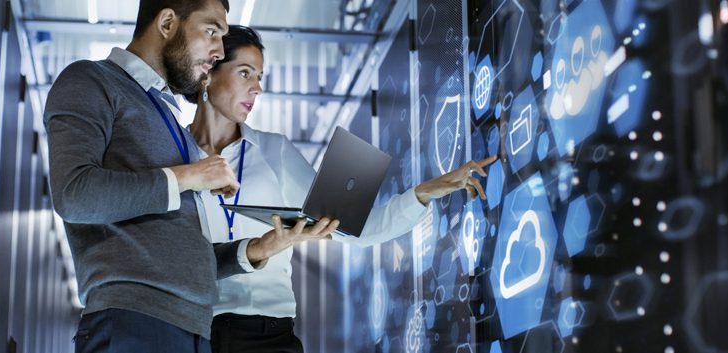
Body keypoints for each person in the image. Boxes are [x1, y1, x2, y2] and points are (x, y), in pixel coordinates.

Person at [42, 1, 339, 352]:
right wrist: (189, 176)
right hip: (133, 322)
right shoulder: (91, 80)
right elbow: (74, 195)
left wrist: (260, 248)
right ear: (168, 22)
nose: (217, 51)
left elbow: (186, 254)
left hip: (192, 330)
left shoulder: (168, 119)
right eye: (211, 32)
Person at [181, 25, 496, 353]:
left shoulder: (275, 151)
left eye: (260, 76)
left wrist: (425, 192)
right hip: (193, 331)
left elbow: (359, 229)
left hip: (269, 335)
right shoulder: (173, 156)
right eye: (245, 73)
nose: (257, 87)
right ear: (208, 72)